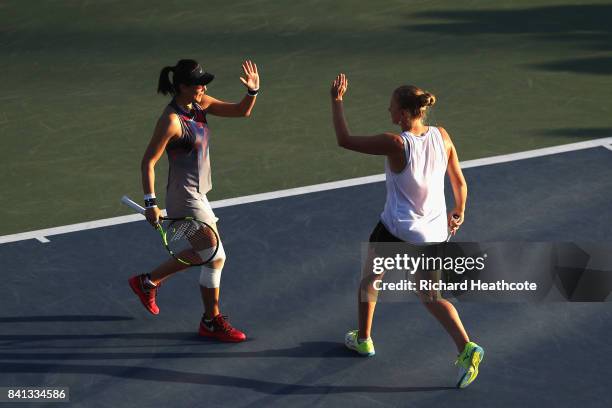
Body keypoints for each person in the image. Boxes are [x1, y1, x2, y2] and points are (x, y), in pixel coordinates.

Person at [330, 73, 484, 388]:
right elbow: (459, 182)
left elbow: (344, 140)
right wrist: (460, 211)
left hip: (395, 230)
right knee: (430, 295)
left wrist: (336, 101)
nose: (388, 113)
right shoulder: (442, 135)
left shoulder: (396, 143)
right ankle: (467, 346)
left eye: (391, 108)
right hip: (433, 234)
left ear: (402, 113)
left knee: (371, 279)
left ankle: (363, 339)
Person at [128, 59, 260, 342]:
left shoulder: (201, 104)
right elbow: (148, 162)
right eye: (198, 84)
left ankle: (147, 282)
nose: (203, 87)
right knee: (215, 256)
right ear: (183, 87)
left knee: (205, 253)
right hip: (184, 200)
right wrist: (151, 202)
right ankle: (211, 321)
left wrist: (252, 92)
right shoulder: (171, 121)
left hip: (199, 195)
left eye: (204, 83)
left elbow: (241, 112)